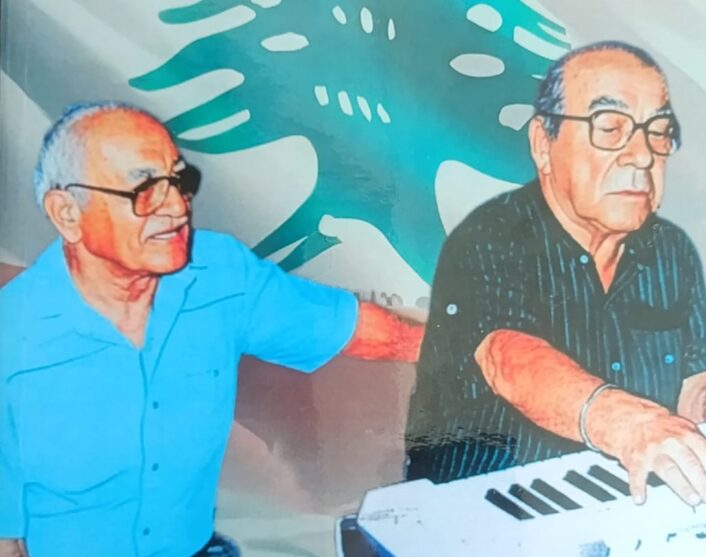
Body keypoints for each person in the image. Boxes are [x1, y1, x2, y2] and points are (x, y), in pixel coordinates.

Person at [0, 102, 424, 557]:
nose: (176, 208)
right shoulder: (14, 330)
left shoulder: (220, 272)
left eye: (178, 182)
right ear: (66, 212)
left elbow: (359, 330)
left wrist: (467, 350)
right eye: (143, 190)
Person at [404, 41, 706, 508]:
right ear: (543, 144)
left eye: (659, 132)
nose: (642, 156)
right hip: (481, 515)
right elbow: (508, 358)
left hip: (626, 506)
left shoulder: (671, 250)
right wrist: (628, 423)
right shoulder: (489, 238)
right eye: (610, 128)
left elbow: (697, 376)